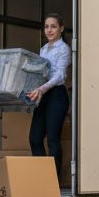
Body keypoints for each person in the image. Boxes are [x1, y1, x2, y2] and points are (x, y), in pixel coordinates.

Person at [27, 13, 70, 177]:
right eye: (46, 27)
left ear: (61, 29)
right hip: (43, 95)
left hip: (57, 94)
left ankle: (53, 181)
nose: (49, 30)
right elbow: (41, 73)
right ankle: (43, 178)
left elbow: (59, 75)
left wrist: (41, 89)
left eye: (53, 26)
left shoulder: (64, 49)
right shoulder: (43, 49)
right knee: (34, 138)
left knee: (52, 139)